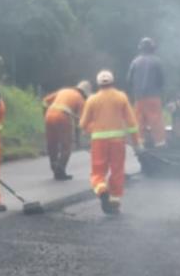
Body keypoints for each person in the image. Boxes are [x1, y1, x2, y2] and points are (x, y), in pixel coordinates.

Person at [79, 70, 141, 215]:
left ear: (98, 84)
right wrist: (136, 141)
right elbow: (131, 122)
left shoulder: (92, 100)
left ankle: (102, 190)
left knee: (98, 172)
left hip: (99, 142)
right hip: (117, 142)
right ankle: (114, 201)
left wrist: (90, 131)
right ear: (113, 82)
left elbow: (83, 124)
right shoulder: (121, 97)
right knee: (117, 170)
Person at [42, 80, 92, 181]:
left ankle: (54, 165)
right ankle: (60, 170)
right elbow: (82, 121)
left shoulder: (64, 91)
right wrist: (80, 139)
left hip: (49, 115)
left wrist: (45, 114)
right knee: (66, 145)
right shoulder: (81, 99)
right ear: (85, 93)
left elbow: (45, 101)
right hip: (62, 117)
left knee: (52, 143)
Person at [127, 37, 166, 148]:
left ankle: (140, 142)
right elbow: (161, 80)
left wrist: (135, 90)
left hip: (139, 97)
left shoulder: (135, 61)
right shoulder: (157, 61)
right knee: (156, 119)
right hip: (153, 97)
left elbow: (129, 80)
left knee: (139, 119)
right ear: (152, 49)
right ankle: (160, 143)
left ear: (141, 49)